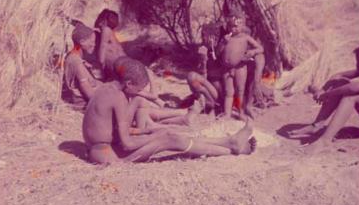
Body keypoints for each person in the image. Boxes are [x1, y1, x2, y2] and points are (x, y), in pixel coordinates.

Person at [82, 56, 256, 164]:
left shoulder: (107, 89)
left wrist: (147, 131)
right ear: (128, 83)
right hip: (108, 156)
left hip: (104, 149)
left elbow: (115, 130)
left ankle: (229, 142)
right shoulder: (118, 98)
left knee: (166, 134)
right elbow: (127, 143)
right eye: (139, 88)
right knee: (168, 139)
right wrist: (156, 135)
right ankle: (229, 148)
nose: (140, 92)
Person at [287, 43, 359, 153]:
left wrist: (327, 94)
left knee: (352, 96)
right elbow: (337, 76)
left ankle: (325, 141)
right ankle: (316, 125)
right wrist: (323, 89)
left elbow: (353, 88)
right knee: (341, 83)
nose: (357, 65)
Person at [94, 8, 162, 106]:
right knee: (126, 87)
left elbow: (103, 46)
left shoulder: (106, 30)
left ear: (103, 20)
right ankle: (160, 102)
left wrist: (101, 62)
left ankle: (154, 96)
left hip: (121, 64)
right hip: (121, 64)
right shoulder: (108, 32)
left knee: (127, 87)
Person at [221, 15, 264, 120]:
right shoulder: (227, 38)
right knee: (229, 92)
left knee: (240, 91)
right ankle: (227, 114)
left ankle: (241, 113)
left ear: (242, 26)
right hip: (227, 69)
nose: (234, 28)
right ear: (228, 27)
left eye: (237, 26)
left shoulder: (245, 37)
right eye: (232, 26)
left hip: (240, 67)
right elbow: (218, 52)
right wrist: (223, 43)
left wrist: (252, 52)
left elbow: (260, 48)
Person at [62, 23, 102, 106]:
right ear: (82, 42)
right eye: (92, 42)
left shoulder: (74, 55)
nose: (94, 45)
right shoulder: (76, 61)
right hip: (84, 105)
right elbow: (88, 92)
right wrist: (103, 105)